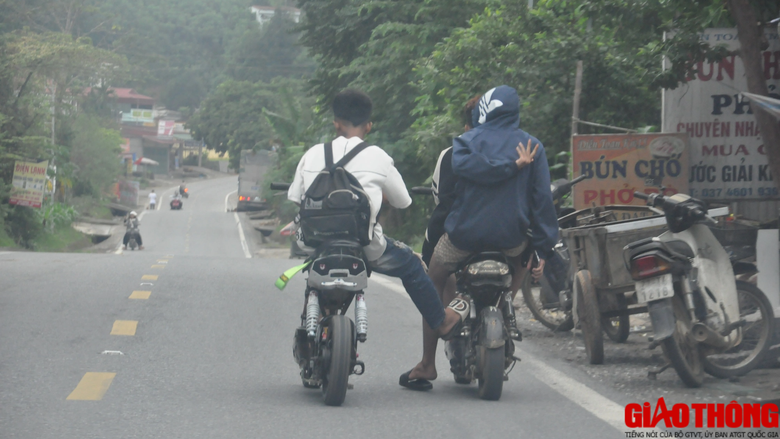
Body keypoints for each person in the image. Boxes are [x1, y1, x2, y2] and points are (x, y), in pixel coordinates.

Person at [287, 89, 466, 363]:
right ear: (369, 125)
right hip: (365, 246)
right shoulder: (379, 156)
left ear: (335, 122)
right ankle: (441, 322)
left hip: (315, 243)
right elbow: (403, 201)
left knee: (311, 272)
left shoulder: (312, 154)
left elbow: (296, 198)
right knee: (412, 266)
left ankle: (310, 323)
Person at [402, 85, 558, 389]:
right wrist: (542, 248)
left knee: (433, 275)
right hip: (511, 238)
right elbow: (542, 202)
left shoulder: (466, 141)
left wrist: (507, 167)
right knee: (524, 259)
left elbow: (464, 168)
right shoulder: (532, 145)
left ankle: (427, 363)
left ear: (483, 110)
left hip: (464, 237)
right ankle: (503, 308)